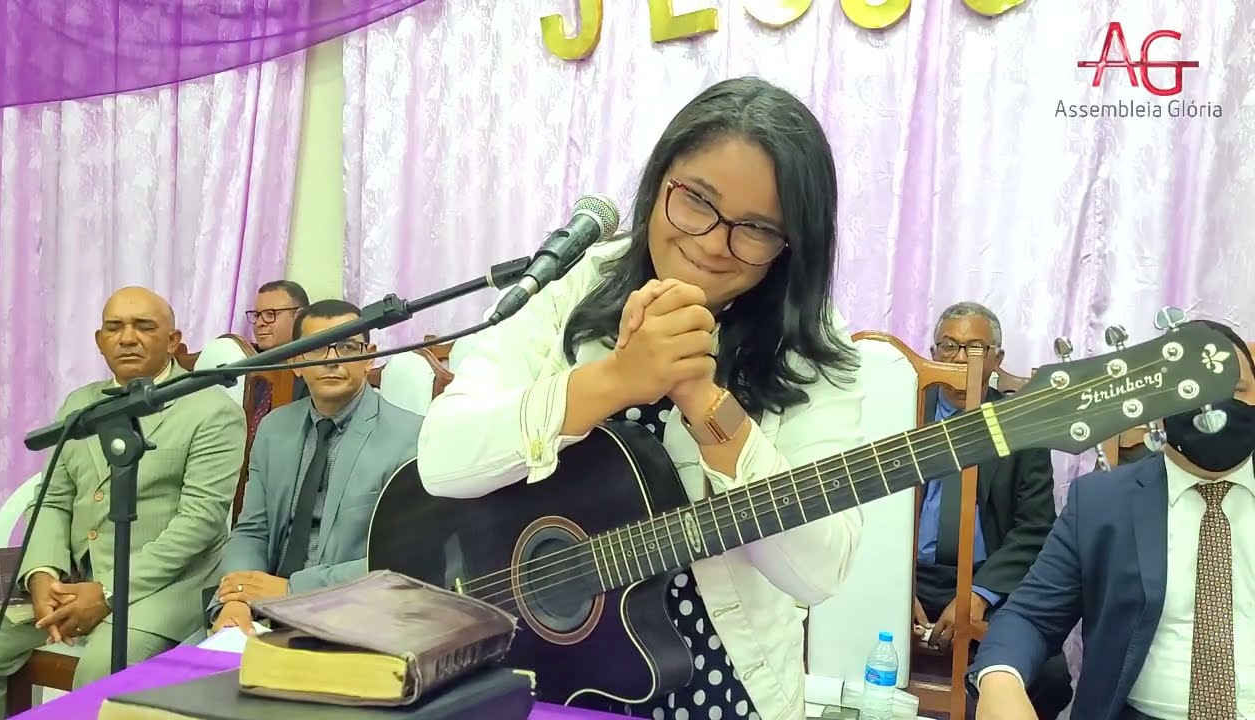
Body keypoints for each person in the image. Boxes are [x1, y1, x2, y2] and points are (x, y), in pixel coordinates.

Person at [416, 77, 865, 720]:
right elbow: (444, 459)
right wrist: (618, 381)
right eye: (698, 202)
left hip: (720, 688)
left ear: (791, 243)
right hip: (546, 672)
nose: (713, 242)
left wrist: (704, 400)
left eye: (756, 229)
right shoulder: (570, 283)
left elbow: (818, 570)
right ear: (660, 184)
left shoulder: (809, 343)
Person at [0, 287, 246, 720]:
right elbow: (53, 499)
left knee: (102, 672)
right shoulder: (80, 405)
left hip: (162, 585)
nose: (127, 338)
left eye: (144, 327)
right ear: (100, 341)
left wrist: (106, 591)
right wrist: (43, 574)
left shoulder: (211, 411)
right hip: (72, 578)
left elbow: (200, 523)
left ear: (173, 340)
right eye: (115, 327)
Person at [969, 320, 1255, 720]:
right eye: (1193, 390)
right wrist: (1000, 680)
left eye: (1234, 388)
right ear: (1155, 403)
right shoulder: (1101, 503)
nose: (1213, 405)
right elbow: (1030, 617)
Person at [207, 300, 423, 635]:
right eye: (317, 349)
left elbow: (406, 562)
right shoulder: (273, 429)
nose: (333, 361)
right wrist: (235, 600)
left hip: (355, 616)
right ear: (295, 361)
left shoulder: (411, 436)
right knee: (165, 681)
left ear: (369, 357)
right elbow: (252, 530)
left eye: (348, 347)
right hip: (262, 610)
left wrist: (293, 590)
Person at [911, 302, 1071, 718]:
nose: (961, 360)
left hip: (990, 581)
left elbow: (1036, 528)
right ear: (933, 353)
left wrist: (979, 594)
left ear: (997, 359)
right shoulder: (906, 412)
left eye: (976, 349)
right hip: (908, 575)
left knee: (1050, 679)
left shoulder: (1022, 425)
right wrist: (893, 587)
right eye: (949, 346)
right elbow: (871, 516)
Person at [246, 279, 312, 405]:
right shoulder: (250, 364)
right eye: (257, 315)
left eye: (270, 314)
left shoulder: (315, 368)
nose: (259, 323)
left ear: (299, 316)